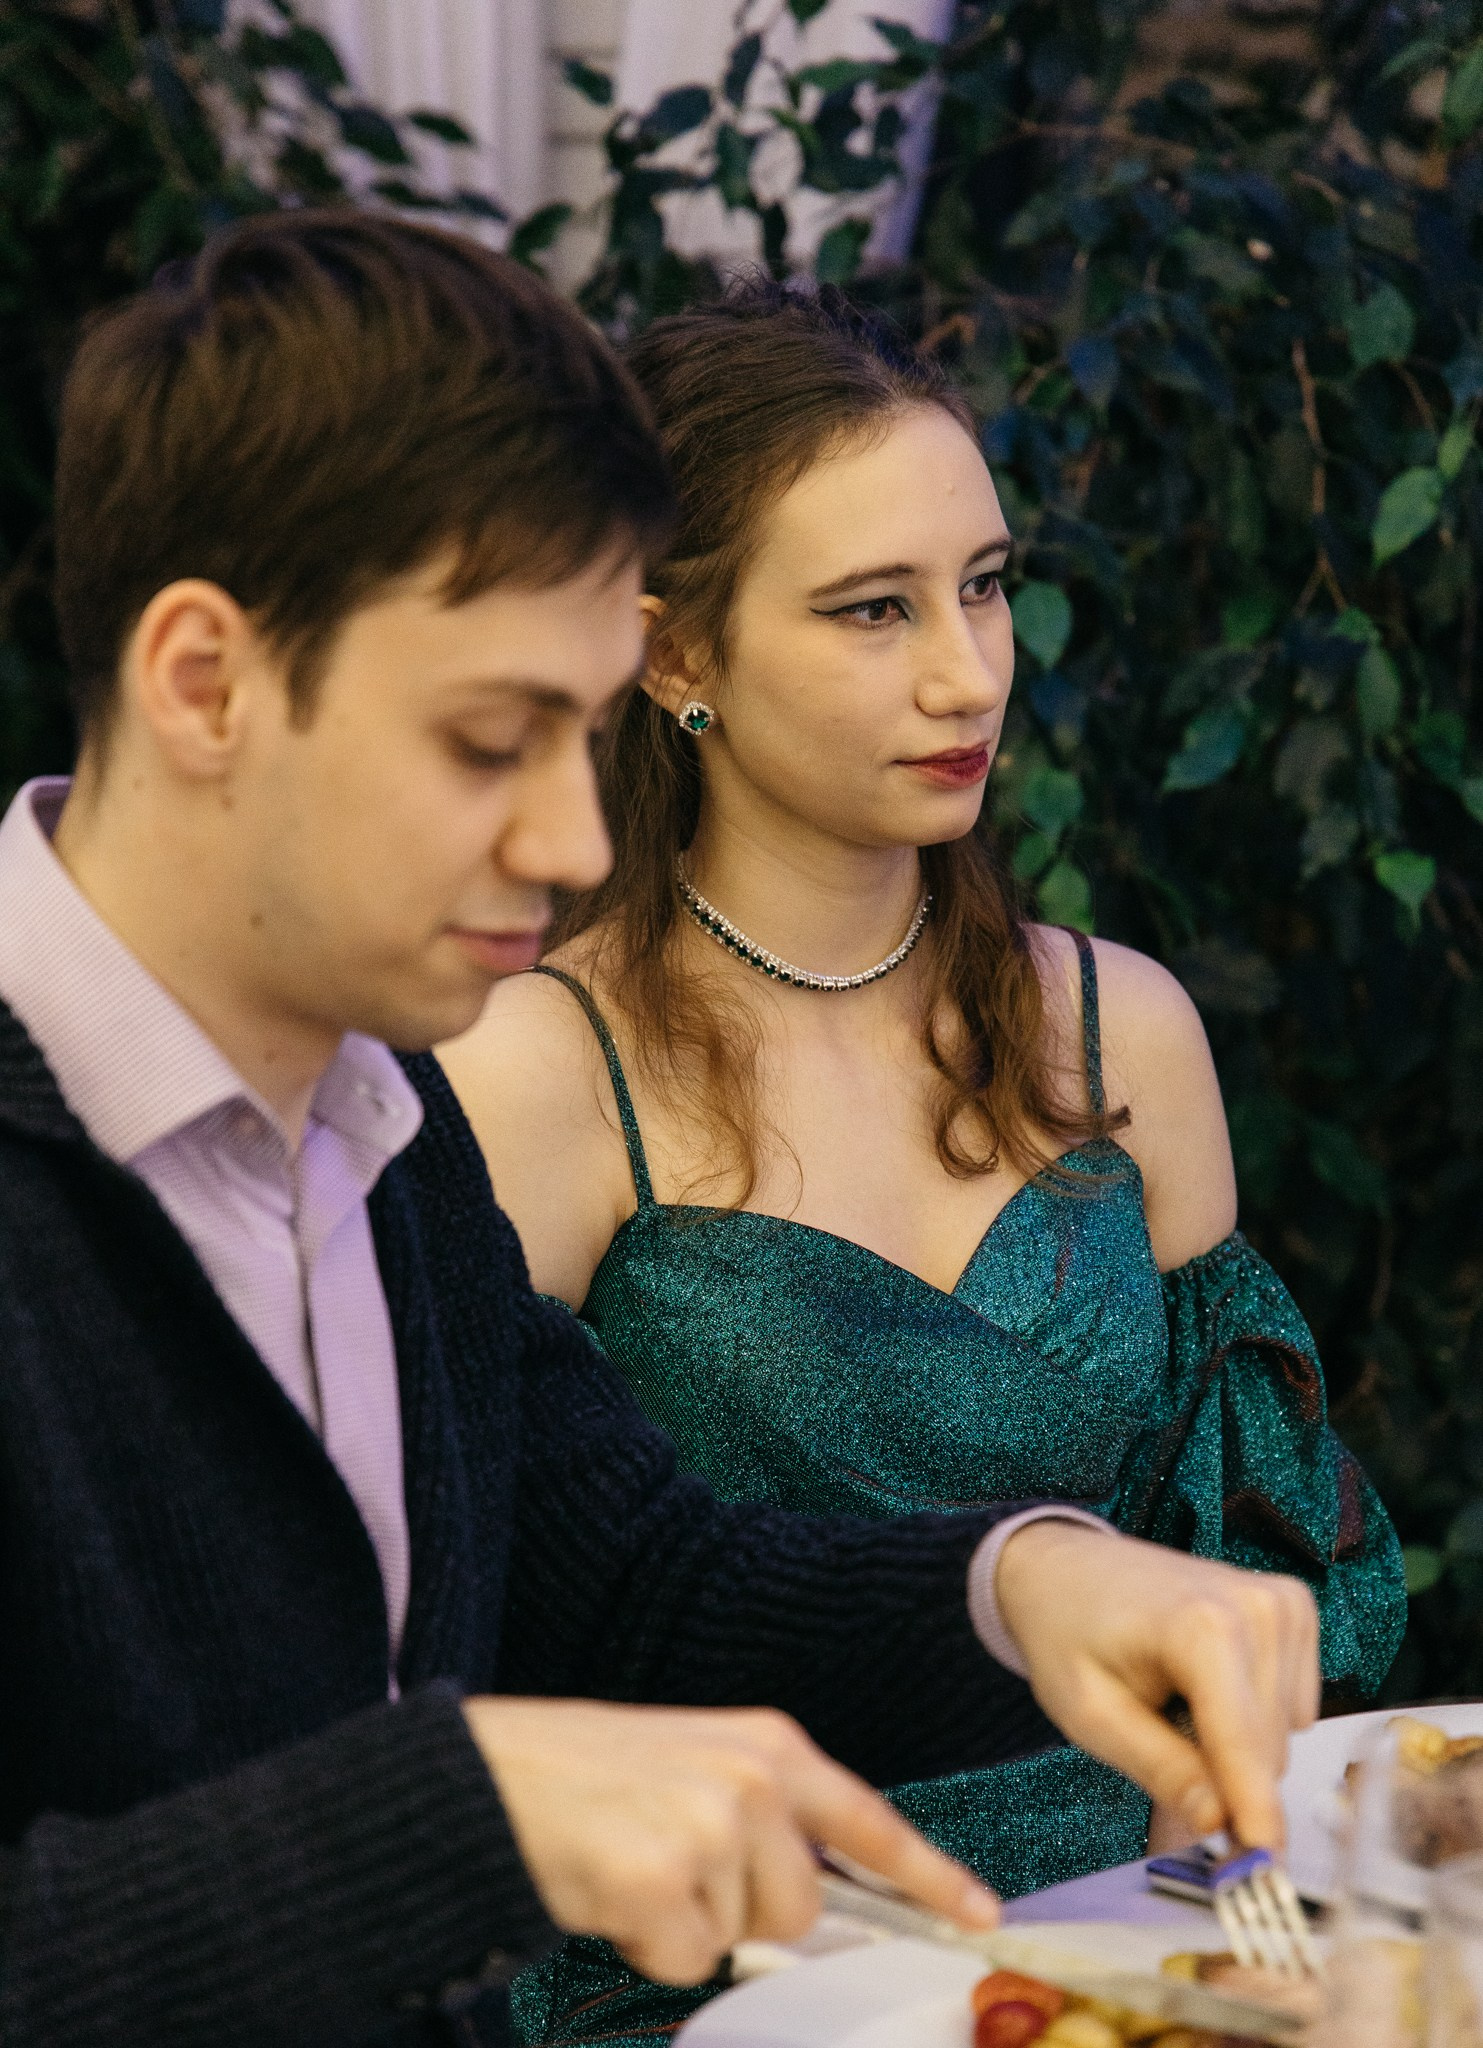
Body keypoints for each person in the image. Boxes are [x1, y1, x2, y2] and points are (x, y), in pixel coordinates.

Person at [0, 211, 1323, 2048]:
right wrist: (465, 1821)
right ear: (205, 682)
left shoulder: (378, 1121)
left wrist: (1020, 1579)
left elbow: (631, 1587)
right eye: (491, 740)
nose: (569, 840)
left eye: (584, 734)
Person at [440, 280, 1406, 2046]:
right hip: (733, 1984)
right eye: (873, 609)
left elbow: (1263, 1574)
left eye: (986, 584)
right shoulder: (537, 1069)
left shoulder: (1119, 1034)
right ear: (673, 656)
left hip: (1151, 1960)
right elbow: (491, 1639)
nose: (968, 673)